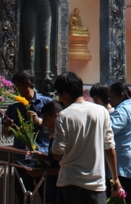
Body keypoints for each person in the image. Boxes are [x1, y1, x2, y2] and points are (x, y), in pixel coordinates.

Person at [51, 72, 120, 204]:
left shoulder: (64, 116)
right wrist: (115, 178)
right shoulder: (101, 112)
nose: (60, 100)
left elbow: (57, 154)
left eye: (60, 95)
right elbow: (110, 148)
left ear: (65, 93)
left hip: (69, 183)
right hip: (96, 184)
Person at [108, 82, 131, 204]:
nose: (109, 99)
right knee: (127, 196)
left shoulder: (123, 109)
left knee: (124, 197)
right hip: (128, 158)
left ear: (121, 95)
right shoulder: (130, 107)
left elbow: (109, 128)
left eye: (111, 96)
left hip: (123, 159)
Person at [3, 70, 52, 155]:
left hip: (42, 152)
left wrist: (39, 121)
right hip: (20, 154)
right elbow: (6, 134)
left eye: (17, 86)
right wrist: (8, 127)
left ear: (27, 84)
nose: (15, 90)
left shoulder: (47, 102)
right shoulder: (13, 106)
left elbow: (55, 127)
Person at [27, 100, 63, 204]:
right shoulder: (54, 134)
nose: (45, 123)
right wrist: (44, 156)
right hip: (52, 183)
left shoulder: (62, 137)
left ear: (55, 116)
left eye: (46, 119)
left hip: (60, 184)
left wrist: (40, 173)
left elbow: (63, 167)